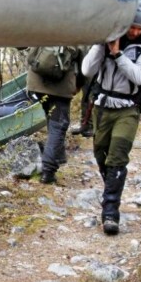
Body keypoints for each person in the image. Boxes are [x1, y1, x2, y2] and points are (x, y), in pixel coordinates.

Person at [80, 0, 141, 235]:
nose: (135, 32)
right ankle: (112, 188)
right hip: (102, 107)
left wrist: (118, 54)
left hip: (127, 109)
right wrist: (102, 46)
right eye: (132, 27)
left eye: (139, 29)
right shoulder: (105, 42)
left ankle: (110, 213)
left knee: (117, 157)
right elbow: (86, 70)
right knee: (100, 154)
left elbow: (140, 76)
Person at [24, 45, 85, 185]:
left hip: (35, 84)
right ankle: (48, 171)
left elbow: (27, 52)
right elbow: (84, 66)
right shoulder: (78, 31)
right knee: (58, 125)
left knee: (52, 121)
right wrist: (79, 85)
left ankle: (58, 157)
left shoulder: (47, 25)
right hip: (61, 88)